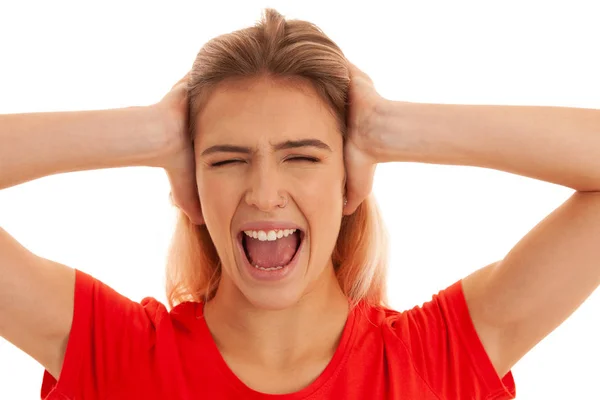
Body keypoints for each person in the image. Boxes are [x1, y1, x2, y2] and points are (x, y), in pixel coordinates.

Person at [0, 8, 598, 400]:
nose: (263, 193)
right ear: (192, 189)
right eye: (228, 159)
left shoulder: (436, 361)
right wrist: (151, 134)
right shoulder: (114, 355)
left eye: (303, 157)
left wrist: (389, 127)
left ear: (349, 183)